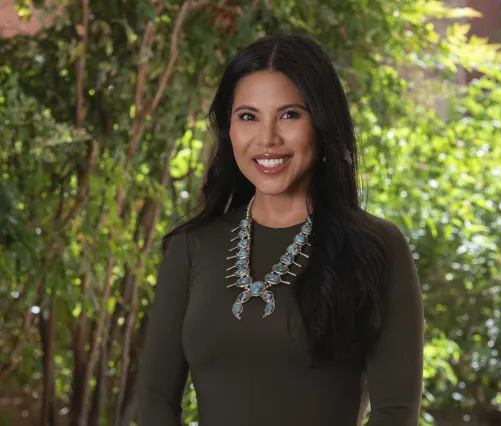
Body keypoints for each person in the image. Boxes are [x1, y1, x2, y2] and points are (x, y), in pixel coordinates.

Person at [138, 34, 424, 426]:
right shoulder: (192, 246)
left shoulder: (376, 247)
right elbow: (154, 402)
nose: (267, 138)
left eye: (290, 115)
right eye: (248, 116)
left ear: (322, 123)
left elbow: (396, 412)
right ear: (229, 129)